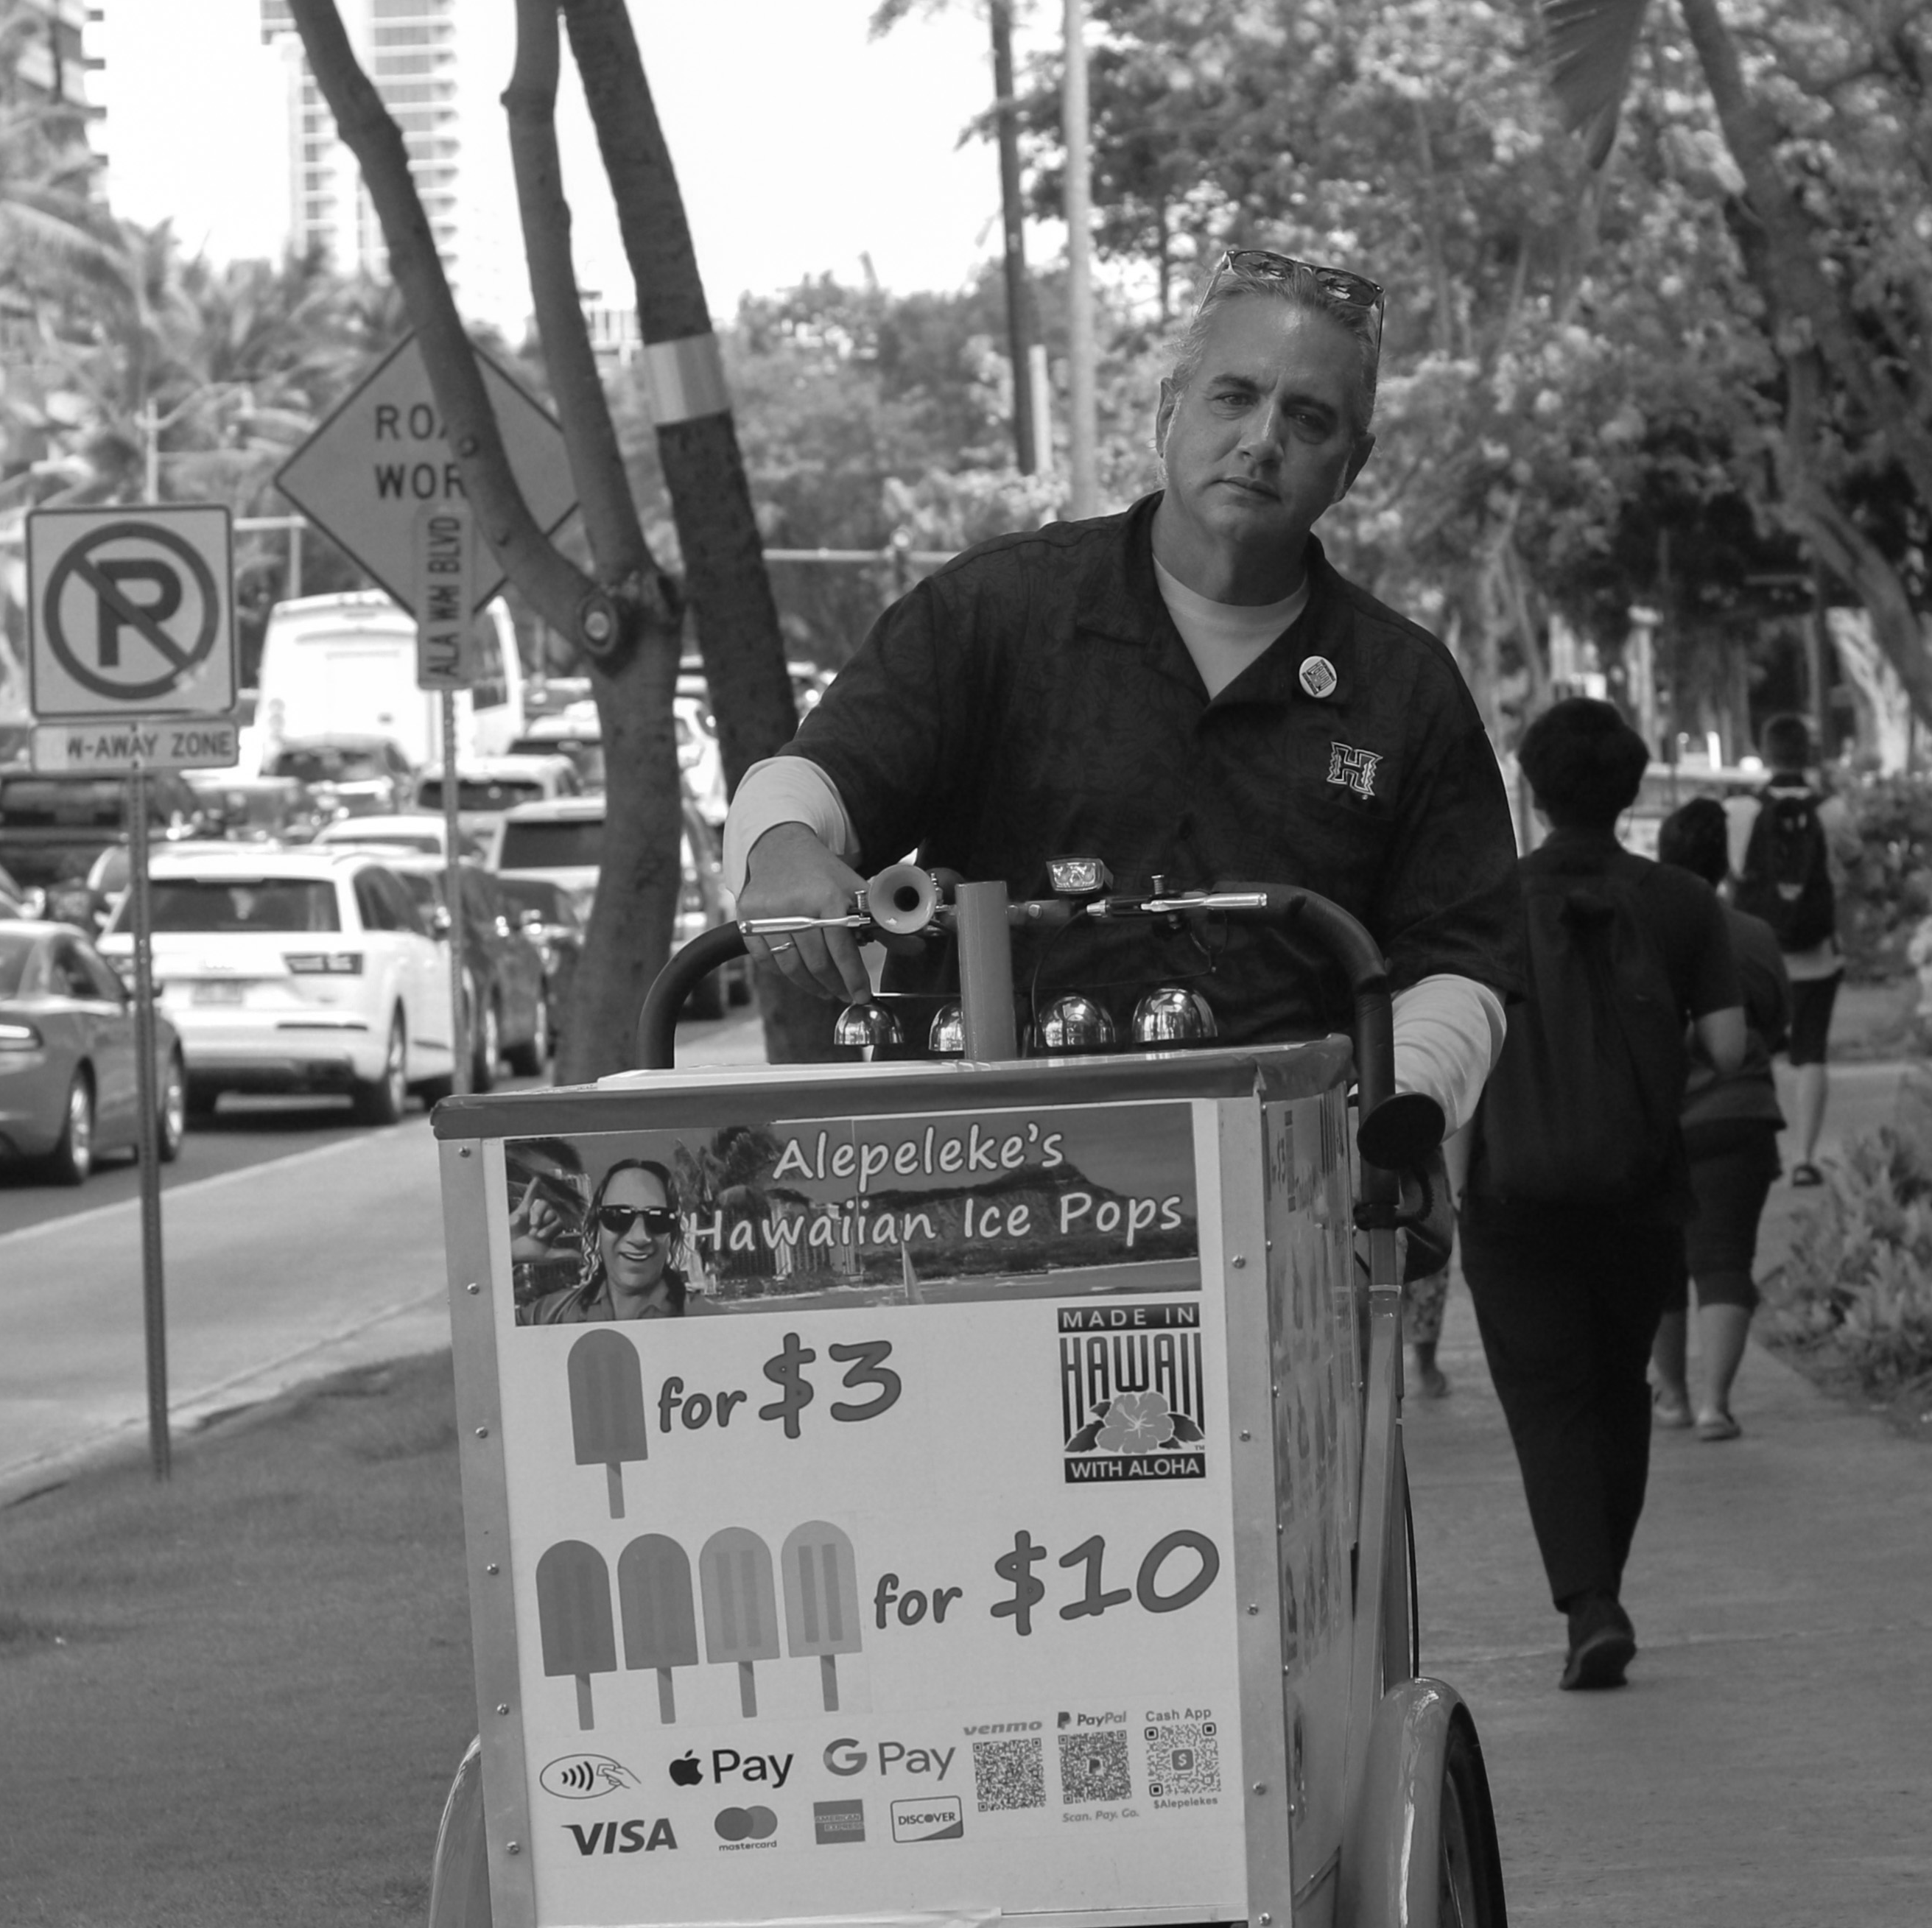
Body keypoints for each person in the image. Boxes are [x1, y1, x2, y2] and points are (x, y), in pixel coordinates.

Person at [727, 247, 1525, 1183]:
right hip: (995, 1209)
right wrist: (781, 847)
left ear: (1352, 465)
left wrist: (1384, 1108)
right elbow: (822, 775)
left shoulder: (1405, 688)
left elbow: (1465, 960)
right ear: (1165, 412)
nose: (1263, 440)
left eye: (1308, 419)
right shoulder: (1000, 612)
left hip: (1291, 1213)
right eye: (1233, 397)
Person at [1464, 700, 1743, 1689]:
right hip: (1640, 1190)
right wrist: (1648, 1097)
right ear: (1631, 788)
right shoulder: (1678, 902)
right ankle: (1604, 1589)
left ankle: (1589, 1602)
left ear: (1532, 791)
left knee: (1546, 1401)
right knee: (1619, 1390)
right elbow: (1727, 1048)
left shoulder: (1487, 899)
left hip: (1510, 1192)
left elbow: (1450, 1054)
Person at [1648, 797, 1788, 1441]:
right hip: (1739, 1113)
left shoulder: (1641, 929)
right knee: (1725, 1257)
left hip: (1660, 1121)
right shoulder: (1753, 934)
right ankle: (1715, 1404)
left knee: (1662, 1266)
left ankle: (1671, 1397)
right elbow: (1778, 1028)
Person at [1732, 713, 1847, 1183]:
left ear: (1765, 751)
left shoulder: (1739, 810)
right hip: (1818, 955)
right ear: (1809, 754)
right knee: (1811, 1052)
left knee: (1750, 1052)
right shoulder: (1833, 810)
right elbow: (1852, 863)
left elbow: (1732, 873)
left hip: (1755, 954)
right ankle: (1804, 1157)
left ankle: (1760, 1156)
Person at [533, 1156, 690, 1323]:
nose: (640, 1237)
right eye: (617, 1217)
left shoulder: (707, 1315)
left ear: (673, 1233)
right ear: (596, 1228)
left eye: (659, 1219)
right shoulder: (553, 1313)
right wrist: (511, 1256)